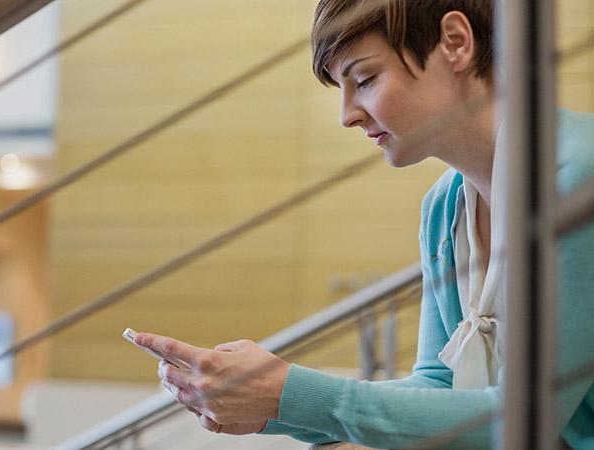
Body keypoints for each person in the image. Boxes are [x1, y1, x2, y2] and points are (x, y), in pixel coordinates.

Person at [134, 0, 594, 448]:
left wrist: (286, 394)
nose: (347, 114)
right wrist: (267, 403)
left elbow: (526, 421)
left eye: (365, 79)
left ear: (455, 42)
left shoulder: (578, 178)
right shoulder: (443, 208)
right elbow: (439, 383)